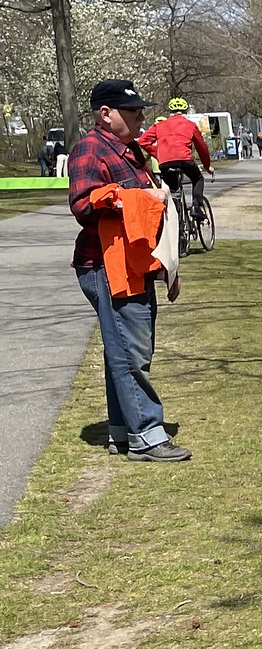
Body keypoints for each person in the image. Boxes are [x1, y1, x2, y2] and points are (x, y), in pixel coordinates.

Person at [66, 79, 189, 462]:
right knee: (130, 353)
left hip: (133, 265)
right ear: (106, 113)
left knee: (123, 350)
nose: (141, 117)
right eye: (133, 111)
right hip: (107, 265)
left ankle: (123, 432)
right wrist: (124, 198)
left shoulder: (129, 150)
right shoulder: (90, 147)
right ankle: (147, 435)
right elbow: (82, 204)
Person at [141, 99, 211, 222]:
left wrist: (158, 153)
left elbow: (143, 141)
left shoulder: (160, 125)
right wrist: (207, 165)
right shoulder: (190, 125)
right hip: (185, 160)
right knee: (198, 178)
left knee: (173, 189)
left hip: (165, 162)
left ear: (170, 112)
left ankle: (175, 212)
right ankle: (196, 207)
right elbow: (202, 147)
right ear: (185, 111)